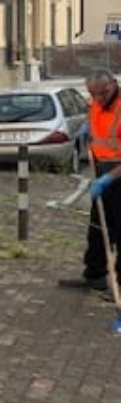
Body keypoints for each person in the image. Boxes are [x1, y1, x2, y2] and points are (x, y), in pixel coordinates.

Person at [59, 69, 121, 296]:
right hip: (101, 170)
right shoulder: (94, 103)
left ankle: (119, 288)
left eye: (103, 93)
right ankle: (94, 276)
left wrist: (107, 179)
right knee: (98, 228)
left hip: (116, 175)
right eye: (94, 94)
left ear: (113, 84)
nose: (99, 98)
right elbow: (97, 129)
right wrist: (87, 132)